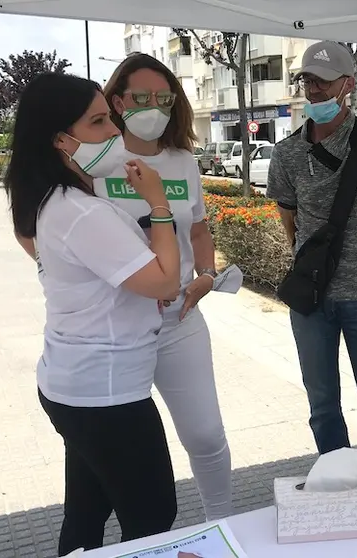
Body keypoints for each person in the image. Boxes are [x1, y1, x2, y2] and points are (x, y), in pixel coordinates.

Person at [5, 72, 180, 554]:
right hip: (106, 395)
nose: (114, 133)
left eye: (111, 118)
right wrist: (159, 204)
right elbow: (164, 280)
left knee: (86, 509)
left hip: (74, 384)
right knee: (152, 515)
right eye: (99, 122)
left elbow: (114, 274)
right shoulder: (82, 212)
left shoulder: (53, 199)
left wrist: (141, 276)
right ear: (61, 139)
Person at [266, 41, 357, 476]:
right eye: (306, 80)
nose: (312, 90)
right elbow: (290, 224)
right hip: (311, 301)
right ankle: (342, 487)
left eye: (322, 81)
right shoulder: (287, 153)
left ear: (348, 84)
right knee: (322, 408)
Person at [100, 53, 233, 520]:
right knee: (119, 451)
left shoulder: (182, 162)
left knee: (205, 434)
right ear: (117, 100)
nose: (153, 106)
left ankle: (222, 525)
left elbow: (197, 229)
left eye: (163, 97)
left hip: (179, 317)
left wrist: (206, 277)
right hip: (117, 326)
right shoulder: (96, 163)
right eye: (141, 97)